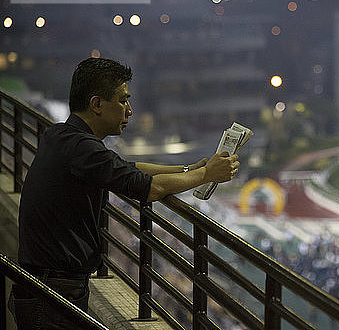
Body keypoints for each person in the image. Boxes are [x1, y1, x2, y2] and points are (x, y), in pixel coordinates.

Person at [8, 57, 240, 329]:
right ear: (97, 104)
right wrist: (207, 175)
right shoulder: (82, 148)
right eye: (122, 101)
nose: (129, 110)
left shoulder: (62, 135)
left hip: (47, 285)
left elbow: (130, 167)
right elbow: (151, 188)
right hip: (51, 294)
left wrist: (190, 167)